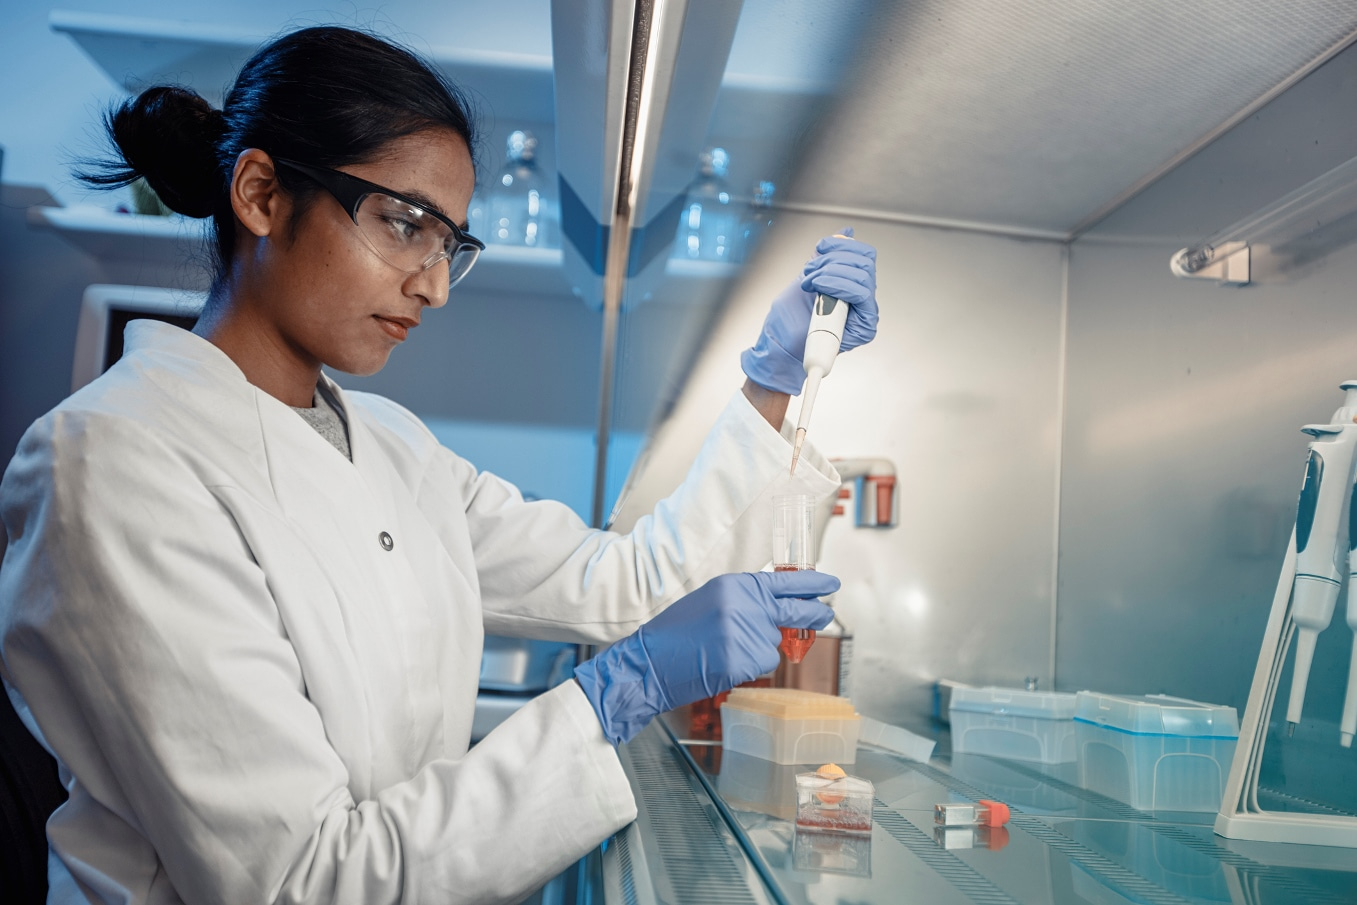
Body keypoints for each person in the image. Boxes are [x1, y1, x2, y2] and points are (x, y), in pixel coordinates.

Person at [0, 26, 879, 905]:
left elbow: (633, 583)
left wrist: (770, 378)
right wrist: (617, 688)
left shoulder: (391, 445)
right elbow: (302, 881)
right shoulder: (111, 461)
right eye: (403, 223)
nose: (434, 285)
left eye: (447, 241)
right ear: (262, 194)